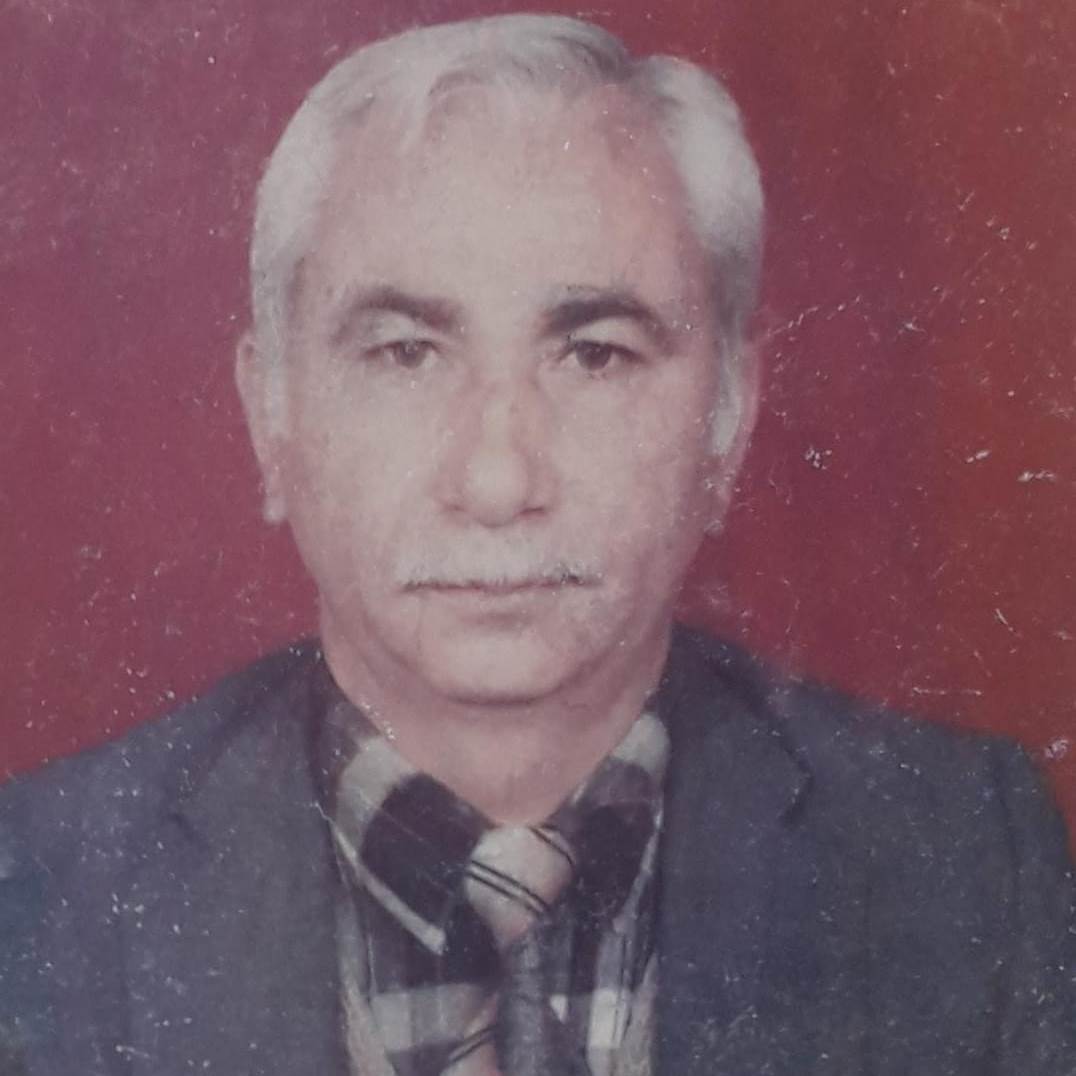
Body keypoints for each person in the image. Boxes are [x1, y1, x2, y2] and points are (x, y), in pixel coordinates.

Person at [1, 13, 1072, 1076]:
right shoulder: (34, 893)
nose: (498, 481)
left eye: (595, 355)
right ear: (269, 414)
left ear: (728, 421)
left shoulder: (967, 857)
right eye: (405, 352)